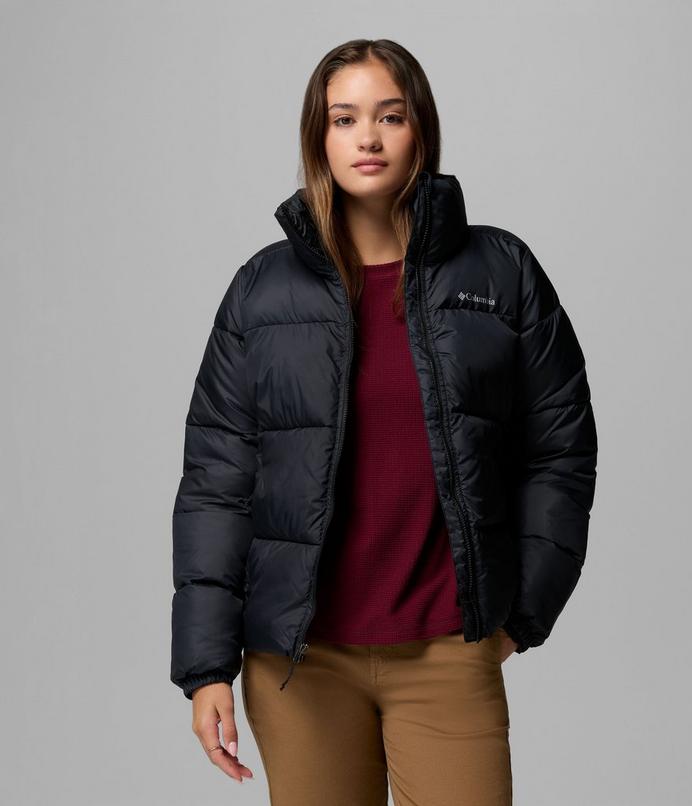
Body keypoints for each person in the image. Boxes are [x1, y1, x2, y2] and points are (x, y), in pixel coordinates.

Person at [170, 38, 598, 805]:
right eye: (344, 118)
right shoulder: (260, 292)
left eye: (389, 116)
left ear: (420, 128)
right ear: (319, 137)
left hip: (447, 647)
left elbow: (559, 450)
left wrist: (523, 613)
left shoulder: (501, 273)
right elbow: (216, 483)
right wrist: (206, 668)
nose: (367, 137)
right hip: (299, 663)